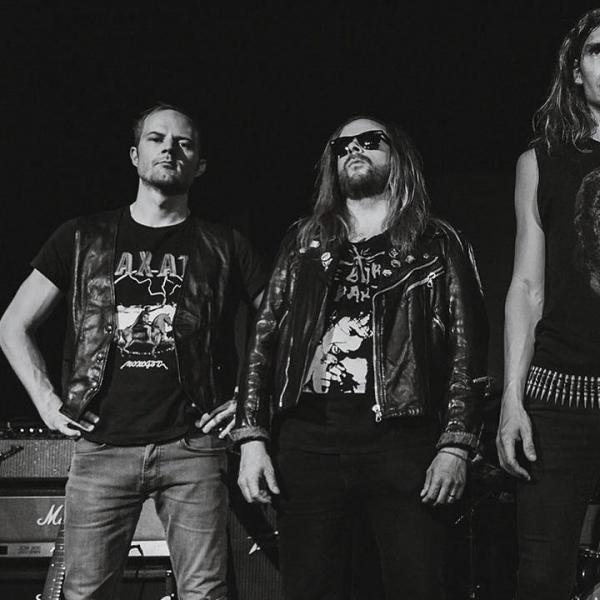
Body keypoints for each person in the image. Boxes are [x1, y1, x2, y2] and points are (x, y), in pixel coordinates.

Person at [0, 103, 265, 600]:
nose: (170, 149)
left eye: (184, 143)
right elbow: (12, 325)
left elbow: (282, 330)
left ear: (200, 165)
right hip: (101, 447)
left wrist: (248, 402)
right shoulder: (80, 237)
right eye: (156, 139)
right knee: (85, 593)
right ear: (134, 155)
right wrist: (47, 403)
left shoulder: (226, 246)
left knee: (205, 594)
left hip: (193, 449)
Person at [233, 116, 488, 599]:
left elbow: (466, 348)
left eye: (371, 141)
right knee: (309, 590)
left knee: (416, 587)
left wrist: (456, 444)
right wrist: (252, 437)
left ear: (398, 157)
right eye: (342, 145)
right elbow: (263, 340)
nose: (354, 149)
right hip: (309, 441)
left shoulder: (436, 243)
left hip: (402, 439)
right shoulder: (303, 243)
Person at [496, 9, 600, 599]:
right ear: (576, 70)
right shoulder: (541, 161)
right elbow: (526, 287)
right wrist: (512, 399)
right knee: (541, 577)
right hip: (561, 395)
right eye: (598, 50)